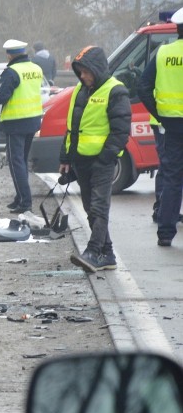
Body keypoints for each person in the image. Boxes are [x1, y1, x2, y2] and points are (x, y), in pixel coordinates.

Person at [60, 46, 131, 273]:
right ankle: (107, 254)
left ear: (97, 69)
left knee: (99, 207)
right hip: (81, 160)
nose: (83, 76)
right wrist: (66, 157)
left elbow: (120, 132)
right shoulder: (80, 91)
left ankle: (92, 251)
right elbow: (72, 128)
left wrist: (105, 158)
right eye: (80, 72)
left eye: (86, 72)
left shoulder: (115, 91)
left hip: (102, 161)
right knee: (91, 208)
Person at [138, 7, 183, 247]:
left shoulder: (163, 53)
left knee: (173, 178)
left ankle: (165, 233)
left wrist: (160, 115)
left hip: (172, 126)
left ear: (176, 29)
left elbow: (143, 87)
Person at [0, 39, 44, 213]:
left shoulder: (11, 72)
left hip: (15, 122)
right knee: (21, 161)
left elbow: (0, 97)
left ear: (9, 54)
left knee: (16, 163)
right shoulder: (36, 69)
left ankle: (25, 202)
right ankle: (19, 198)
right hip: (33, 120)